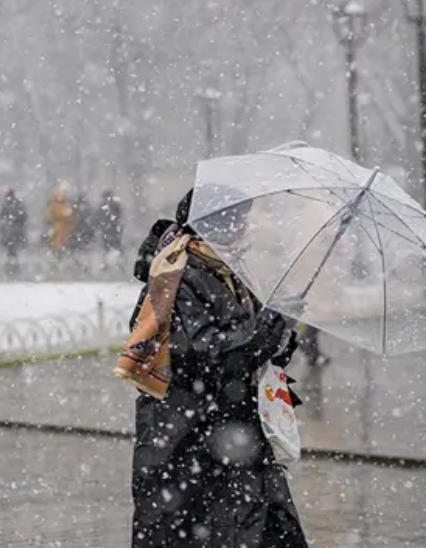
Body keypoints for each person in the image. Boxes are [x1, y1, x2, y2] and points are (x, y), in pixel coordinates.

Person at [127, 190, 308, 548]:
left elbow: (251, 348)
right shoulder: (176, 275)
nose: (245, 231)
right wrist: (267, 327)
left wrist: (282, 332)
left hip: (234, 432)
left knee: (260, 528)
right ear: (214, 226)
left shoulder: (227, 271)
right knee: (201, 532)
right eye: (237, 222)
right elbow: (204, 352)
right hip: (186, 439)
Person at [0, 187, 28, 276]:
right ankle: (13, 268)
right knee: (12, 251)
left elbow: (23, 217)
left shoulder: (14, 205)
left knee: (13, 251)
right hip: (11, 233)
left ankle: (13, 268)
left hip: (13, 233)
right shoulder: (14, 204)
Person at [45, 184, 74, 258]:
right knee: (59, 245)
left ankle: (58, 256)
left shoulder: (56, 205)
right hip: (60, 230)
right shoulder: (60, 206)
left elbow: (48, 217)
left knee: (58, 245)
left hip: (60, 230)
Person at [98, 190, 124, 255]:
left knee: (111, 244)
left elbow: (118, 215)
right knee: (112, 244)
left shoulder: (110, 205)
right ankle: (114, 256)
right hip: (110, 228)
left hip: (110, 228)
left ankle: (113, 256)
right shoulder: (113, 205)